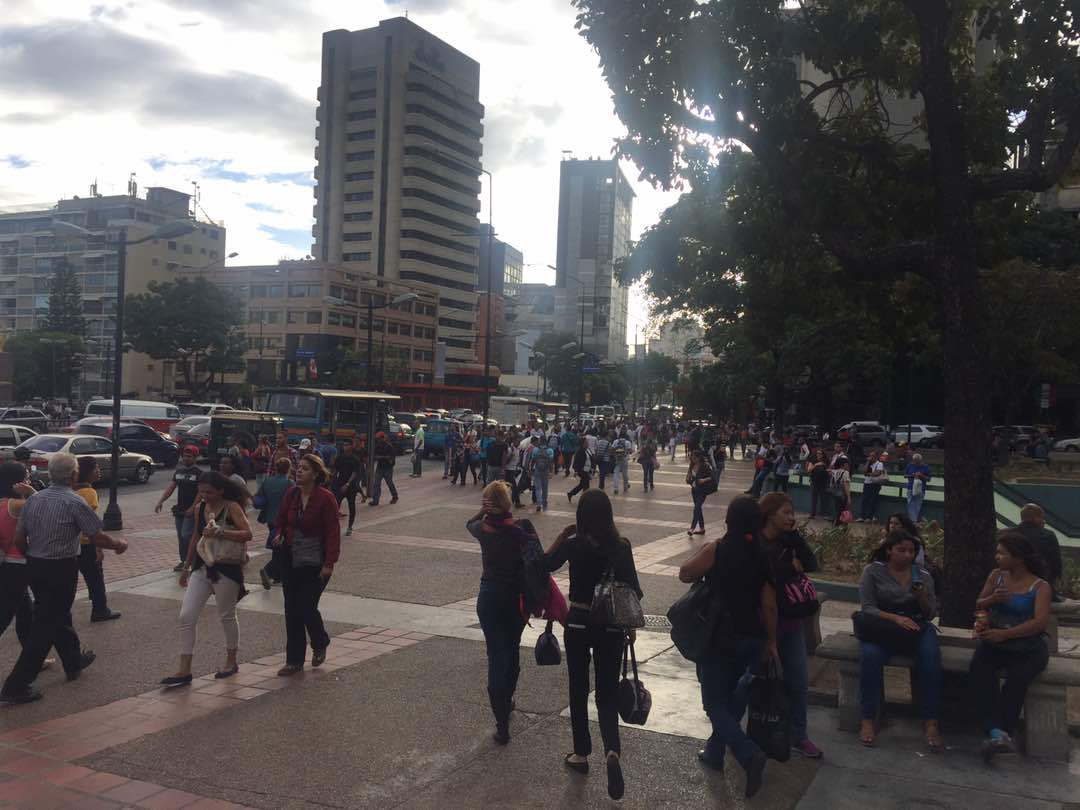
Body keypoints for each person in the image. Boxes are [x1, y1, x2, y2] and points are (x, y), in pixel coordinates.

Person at [0, 453, 128, 705]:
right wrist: (119, 544)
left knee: (56, 614)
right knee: (45, 625)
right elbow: (97, 536)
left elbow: (18, 539)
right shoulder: (74, 501)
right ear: (73, 475)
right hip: (60, 568)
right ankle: (16, 685)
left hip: (35, 566)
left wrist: (33, 556)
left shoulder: (34, 500)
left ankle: (72, 660)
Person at [545, 489, 642, 801]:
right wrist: (628, 627)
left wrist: (561, 536)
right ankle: (611, 751)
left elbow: (545, 565)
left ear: (582, 516)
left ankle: (581, 754)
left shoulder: (575, 544)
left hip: (578, 622)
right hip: (611, 625)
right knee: (606, 694)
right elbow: (633, 591)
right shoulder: (621, 546)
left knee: (577, 687)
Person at [678, 496, 775, 798]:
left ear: (730, 520)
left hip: (720, 638)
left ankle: (748, 754)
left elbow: (685, 573)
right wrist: (771, 642)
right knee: (731, 698)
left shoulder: (718, 549)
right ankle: (715, 752)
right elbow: (769, 604)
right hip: (752, 637)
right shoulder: (762, 554)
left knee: (713, 703)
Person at [160, 471, 252, 687]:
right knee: (186, 616)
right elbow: (195, 537)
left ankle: (231, 661)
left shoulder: (232, 507)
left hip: (227, 568)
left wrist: (223, 532)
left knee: (226, 615)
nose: (204, 496)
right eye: (201, 491)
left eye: (209, 492)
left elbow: (247, 534)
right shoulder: (201, 507)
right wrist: (186, 567)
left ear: (221, 490)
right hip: (202, 567)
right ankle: (184, 670)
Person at [969, 532, 1052, 761]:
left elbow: (1039, 623)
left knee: (1017, 679)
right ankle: (996, 732)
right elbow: (979, 603)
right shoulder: (996, 576)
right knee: (979, 669)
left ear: (1019, 558)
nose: (997, 557)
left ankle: (1003, 732)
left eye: (1002, 553)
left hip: (1027, 647)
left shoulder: (1039, 586)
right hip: (996, 640)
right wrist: (993, 600)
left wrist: (1005, 634)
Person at [857, 531, 942, 750]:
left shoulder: (922, 575)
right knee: (870, 657)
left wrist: (921, 596)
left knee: (931, 659)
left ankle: (931, 721)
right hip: (882, 629)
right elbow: (867, 608)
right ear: (889, 550)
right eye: (901, 550)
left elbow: (931, 612)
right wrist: (895, 618)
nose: (907, 555)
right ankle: (868, 719)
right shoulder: (873, 572)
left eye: (911, 551)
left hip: (916, 628)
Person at [466, 481, 530, 744]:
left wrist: (482, 511)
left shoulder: (483, 529)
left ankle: (501, 722)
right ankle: (508, 697)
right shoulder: (519, 531)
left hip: (489, 598)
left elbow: (468, 524)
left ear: (488, 505)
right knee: (512, 649)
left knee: (495, 654)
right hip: (514, 600)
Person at [759, 493, 823, 758]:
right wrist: (791, 569)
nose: (791, 517)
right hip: (762, 625)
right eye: (785, 513)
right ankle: (742, 732)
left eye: (792, 512)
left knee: (797, 681)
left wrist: (795, 538)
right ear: (770, 514)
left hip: (791, 623)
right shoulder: (757, 544)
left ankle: (800, 735)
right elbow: (769, 579)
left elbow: (812, 564)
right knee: (756, 681)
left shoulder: (789, 541)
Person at [272, 454, 340, 676]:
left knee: (306, 607)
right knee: (291, 609)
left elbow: (332, 532)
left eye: (305, 469)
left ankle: (320, 641)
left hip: (315, 562)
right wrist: (279, 534)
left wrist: (329, 564)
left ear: (316, 474)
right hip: (290, 558)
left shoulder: (326, 498)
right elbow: (280, 520)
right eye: (298, 468)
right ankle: (294, 660)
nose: (299, 471)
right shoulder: (291, 494)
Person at [74, 457, 120, 622]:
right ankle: (100, 609)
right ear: (87, 472)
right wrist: (98, 547)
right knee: (95, 579)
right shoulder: (89, 493)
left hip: (72, 545)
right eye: (96, 468)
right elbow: (91, 522)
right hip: (87, 544)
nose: (99, 471)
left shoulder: (71, 490)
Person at [0, 462, 36, 649]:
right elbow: (43, 508)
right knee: (5, 614)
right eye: (27, 477)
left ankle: (32, 657)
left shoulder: (3, 502)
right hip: (17, 564)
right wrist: (30, 491)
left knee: (25, 611)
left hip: (6, 564)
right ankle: (32, 658)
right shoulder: (18, 504)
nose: (29, 480)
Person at [156, 445, 203, 572]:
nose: (186, 458)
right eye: (185, 456)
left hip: (191, 511)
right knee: (181, 537)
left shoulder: (200, 474)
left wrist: (193, 508)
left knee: (187, 535)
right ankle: (183, 561)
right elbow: (171, 488)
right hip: (180, 510)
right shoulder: (179, 472)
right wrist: (161, 501)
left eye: (189, 456)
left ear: (195, 457)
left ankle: (194, 560)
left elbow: (201, 492)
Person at [256, 457, 295, 590]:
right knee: (283, 549)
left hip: (270, 518)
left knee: (277, 546)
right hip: (284, 520)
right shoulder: (290, 483)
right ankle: (269, 570)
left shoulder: (267, 481)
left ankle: (278, 576)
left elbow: (260, 496)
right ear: (288, 469)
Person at [1014, 503, 1063, 599]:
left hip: (1014, 586)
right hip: (1041, 588)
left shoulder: (1007, 534)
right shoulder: (1048, 535)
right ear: (1036, 518)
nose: (1044, 521)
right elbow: (1056, 565)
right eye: (1042, 518)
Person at [332, 438, 362, 535]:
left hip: (350, 486)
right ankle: (334, 526)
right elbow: (335, 471)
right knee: (336, 505)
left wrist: (347, 484)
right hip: (340, 484)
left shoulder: (355, 459)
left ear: (351, 446)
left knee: (351, 506)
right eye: (344, 445)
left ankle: (350, 527)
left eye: (347, 445)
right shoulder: (340, 458)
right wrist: (333, 481)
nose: (345, 447)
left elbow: (355, 473)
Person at [686, 450, 714, 536]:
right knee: (698, 508)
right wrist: (688, 478)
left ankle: (692, 528)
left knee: (697, 508)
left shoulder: (704, 466)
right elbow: (689, 476)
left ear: (698, 458)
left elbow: (713, 477)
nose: (692, 459)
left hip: (702, 490)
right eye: (692, 457)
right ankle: (702, 529)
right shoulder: (692, 465)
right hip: (694, 490)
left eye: (694, 457)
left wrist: (704, 480)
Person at [369, 431, 399, 506]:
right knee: (376, 484)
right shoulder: (378, 446)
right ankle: (375, 500)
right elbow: (376, 456)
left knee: (389, 483)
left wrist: (382, 458)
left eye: (379, 439)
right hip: (381, 467)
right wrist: (384, 458)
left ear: (383, 438)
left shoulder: (389, 446)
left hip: (387, 468)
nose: (378, 440)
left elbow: (391, 459)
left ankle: (395, 496)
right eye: (377, 439)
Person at [859, 450, 887, 522]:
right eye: (870, 456)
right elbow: (864, 471)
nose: (871, 457)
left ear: (876, 457)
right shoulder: (869, 464)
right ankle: (862, 516)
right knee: (865, 500)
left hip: (875, 484)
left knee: (872, 501)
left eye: (873, 456)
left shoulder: (879, 464)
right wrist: (868, 462)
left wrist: (868, 474)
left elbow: (877, 473)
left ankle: (869, 517)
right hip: (867, 483)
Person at [529, 435, 554, 513]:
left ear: (540, 441)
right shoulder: (550, 450)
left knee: (538, 488)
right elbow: (551, 462)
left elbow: (533, 460)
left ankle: (538, 504)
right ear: (546, 441)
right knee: (545, 488)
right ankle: (544, 504)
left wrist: (530, 469)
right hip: (546, 471)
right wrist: (551, 471)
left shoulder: (535, 450)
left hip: (537, 470)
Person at [904, 452, 932, 523]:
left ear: (920, 460)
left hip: (920, 489)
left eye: (917, 461)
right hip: (910, 488)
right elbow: (905, 475)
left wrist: (921, 475)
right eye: (914, 461)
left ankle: (913, 521)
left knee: (917, 505)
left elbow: (929, 479)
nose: (915, 462)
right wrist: (912, 475)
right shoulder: (910, 465)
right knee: (910, 504)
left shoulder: (926, 467)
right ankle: (913, 521)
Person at [828, 456, 852, 526]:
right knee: (843, 512)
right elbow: (846, 485)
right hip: (842, 495)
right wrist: (849, 498)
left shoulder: (834, 472)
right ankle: (840, 527)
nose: (848, 465)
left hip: (835, 494)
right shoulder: (845, 473)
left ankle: (835, 524)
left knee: (837, 511)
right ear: (842, 464)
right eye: (846, 463)